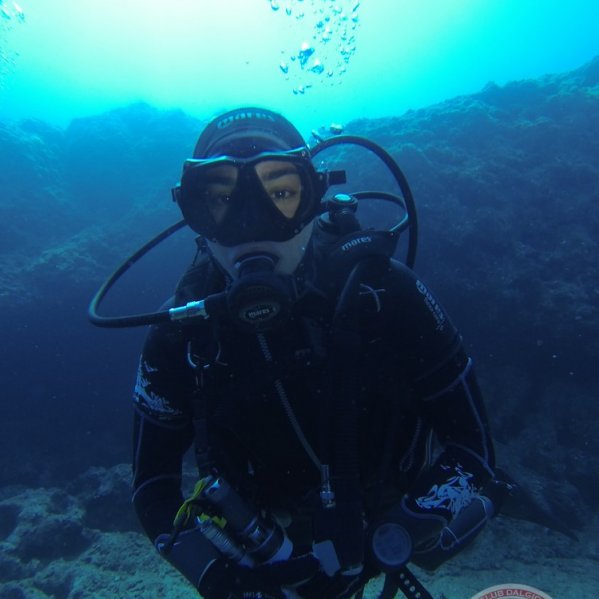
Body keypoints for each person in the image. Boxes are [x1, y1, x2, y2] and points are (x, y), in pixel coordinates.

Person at [131, 107, 504, 599]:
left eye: (281, 194)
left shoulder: (388, 294)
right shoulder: (178, 334)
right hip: (271, 543)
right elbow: (152, 488)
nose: (251, 225)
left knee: (446, 536)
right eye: (221, 199)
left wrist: (400, 531)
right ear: (194, 214)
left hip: (394, 514)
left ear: (313, 200)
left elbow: (472, 447)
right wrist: (221, 580)